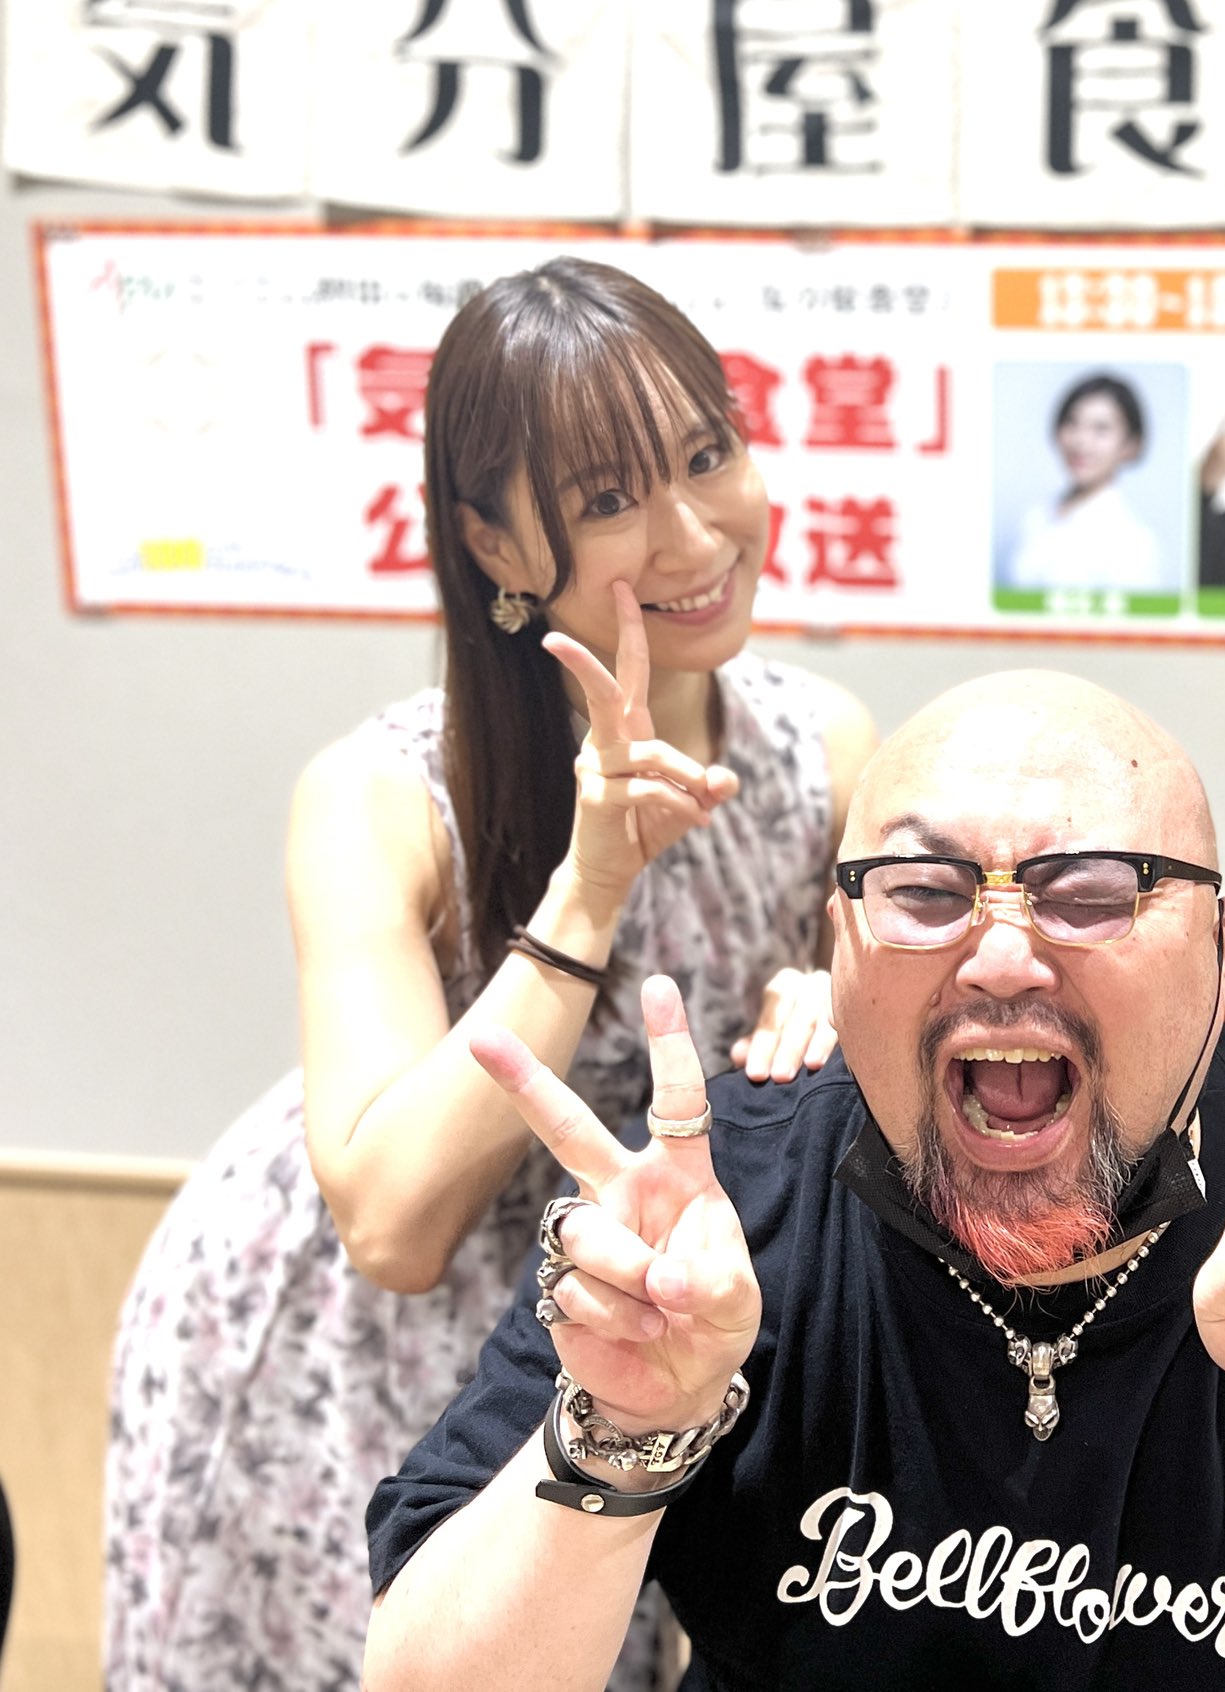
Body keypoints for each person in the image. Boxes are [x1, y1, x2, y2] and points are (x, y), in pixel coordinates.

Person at [362, 670, 1225, 1692]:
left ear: (1223, 956)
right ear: (839, 949)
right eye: (924, 892)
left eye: (1093, 893)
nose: (1001, 957)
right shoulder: (713, 1224)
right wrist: (624, 1426)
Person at [104, 259, 875, 1692]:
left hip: (633, 1338)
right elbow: (393, 1225)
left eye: (708, 453)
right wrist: (592, 881)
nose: (694, 532)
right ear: (493, 543)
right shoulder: (380, 794)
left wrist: (845, 1004)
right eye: (608, 498)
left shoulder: (824, 748)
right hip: (354, 1363)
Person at [1003, 372, 1174, 594]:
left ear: (1130, 444)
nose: (1081, 441)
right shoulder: (1035, 515)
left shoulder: (1134, 544)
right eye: (1072, 423)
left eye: (1101, 429)